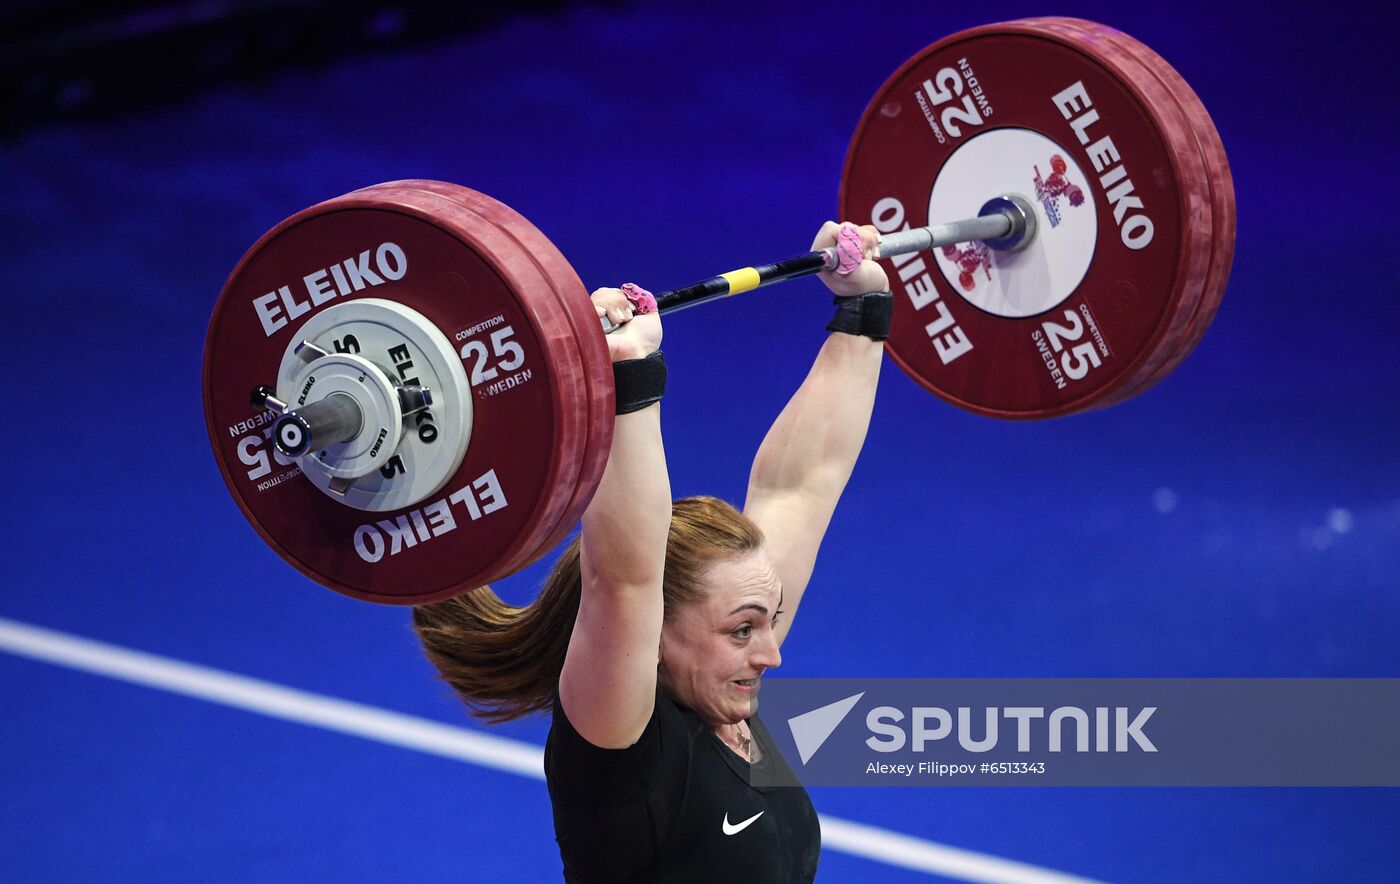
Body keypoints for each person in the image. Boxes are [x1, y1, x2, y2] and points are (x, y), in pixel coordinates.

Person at [413, 221, 890, 882]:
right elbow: (623, 579)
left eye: (766, 619)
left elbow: (800, 486)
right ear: (655, 633)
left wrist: (862, 313)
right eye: (743, 629)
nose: (772, 652)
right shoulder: (621, 747)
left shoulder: (719, 692)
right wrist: (627, 374)